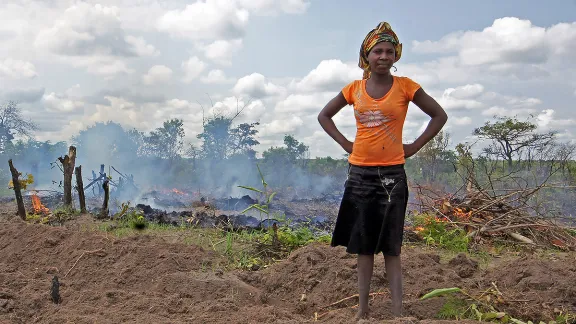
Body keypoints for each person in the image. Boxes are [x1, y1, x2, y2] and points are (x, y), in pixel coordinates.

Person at [317, 21, 448, 319]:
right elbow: (324, 116)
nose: (384, 56)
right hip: (360, 175)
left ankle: (397, 314)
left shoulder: (406, 87)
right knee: (364, 247)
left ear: (396, 55)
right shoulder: (354, 89)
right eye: (378, 51)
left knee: (392, 247)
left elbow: (439, 115)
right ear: (367, 55)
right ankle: (362, 313)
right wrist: (346, 144)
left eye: (390, 51)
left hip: (392, 177)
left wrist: (413, 147)